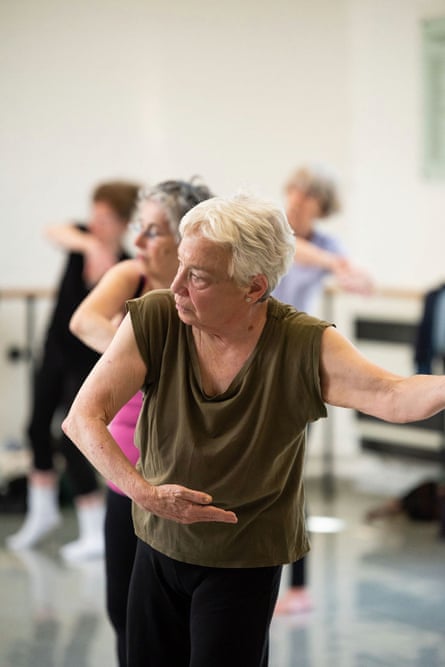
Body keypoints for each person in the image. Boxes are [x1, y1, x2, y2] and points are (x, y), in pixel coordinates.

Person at [61, 193, 445, 667]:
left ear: (253, 287)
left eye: (197, 276)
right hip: (158, 548)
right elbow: (82, 418)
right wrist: (145, 493)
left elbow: (393, 395)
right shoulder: (157, 317)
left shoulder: (302, 343)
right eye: (180, 266)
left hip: (243, 562)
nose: (177, 285)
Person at [68, 179, 214, 667]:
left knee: (191, 625)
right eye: (140, 229)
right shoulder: (132, 276)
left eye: (152, 232)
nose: (139, 243)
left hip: (186, 480)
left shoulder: (210, 294)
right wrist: (136, 350)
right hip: (125, 479)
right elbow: (85, 321)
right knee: (124, 616)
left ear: (185, 239)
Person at [6, 180, 140, 562]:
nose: (95, 224)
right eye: (93, 215)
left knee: (73, 438)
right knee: (35, 428)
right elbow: (53, 230)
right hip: (54, 349)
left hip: (87, 360)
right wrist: (89, 243)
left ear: (122, 222)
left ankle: (92, 525)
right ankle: (42, 511)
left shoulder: (125, 265)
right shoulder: (81, 240)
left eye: (105, 219)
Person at [273, 164, 373, 614]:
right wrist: (333, 263)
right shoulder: (271, 228)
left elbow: (360, 281)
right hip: (246, 360)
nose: (297, 199)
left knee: (289, 480)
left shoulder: (328, 247)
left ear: (322, 206)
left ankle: (298, 588)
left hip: (294, 368)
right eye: (295, 190)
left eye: (309, 196)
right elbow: (294, 250)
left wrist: (346, 269)